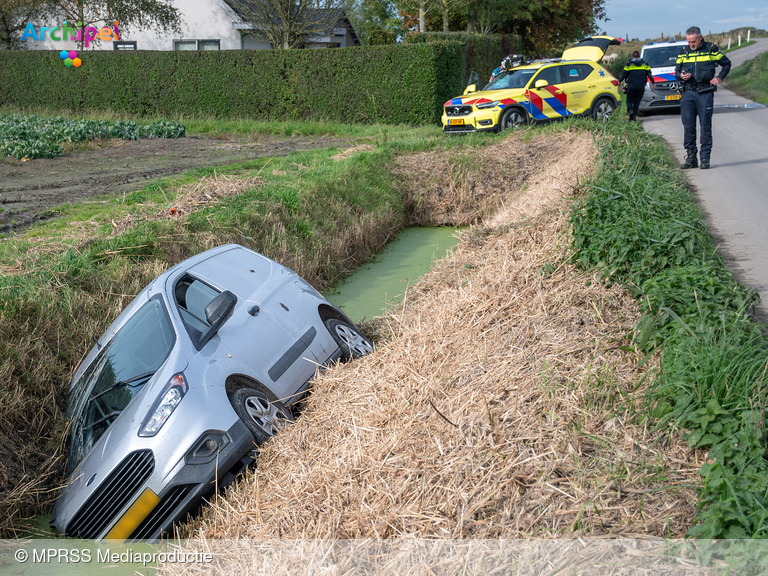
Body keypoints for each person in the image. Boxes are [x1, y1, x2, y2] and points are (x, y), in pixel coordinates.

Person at [675, 26, 731, 169]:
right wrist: (681, 75)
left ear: (700, 38)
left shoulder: (711, 48)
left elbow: (726, 64)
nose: (691, 45)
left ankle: (705, 158)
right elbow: (676, 71)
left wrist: (719, 78)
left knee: (705, 125)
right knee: (688, 126)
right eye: (689, 42)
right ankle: (691, 157)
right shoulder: (683, 51)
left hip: (705, 92)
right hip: (688, 93)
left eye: (693, 41)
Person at [619, 51, 655, 121]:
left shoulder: (629, 65)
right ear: (639, 56)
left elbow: (623, 74)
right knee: (637, 101)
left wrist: (619, 81)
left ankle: (630, 111)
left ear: (633, 56)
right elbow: (649, 74)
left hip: (631, 86)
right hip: (641, 86)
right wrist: (653, 83)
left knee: (629, 100)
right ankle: (634, 117)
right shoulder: (645, 64)